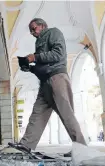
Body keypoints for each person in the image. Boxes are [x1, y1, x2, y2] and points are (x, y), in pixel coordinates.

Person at [9, 18, 87, 157]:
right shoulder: (38, 42)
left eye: (34, 28)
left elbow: (58, 54)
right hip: (44, 82)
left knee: (66, 113)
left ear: (43, 25)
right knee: (37, 114)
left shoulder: (53, 32)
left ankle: (81, 148)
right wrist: (29, 67)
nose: (32, 32)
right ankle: (26, 144)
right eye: (31, 30)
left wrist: (35, 57)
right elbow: (42, 64)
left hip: (56, 78)